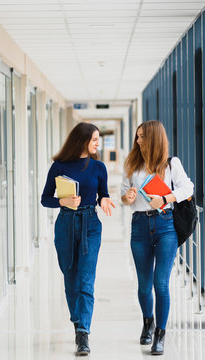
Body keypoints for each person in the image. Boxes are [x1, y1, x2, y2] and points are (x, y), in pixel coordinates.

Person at [41, 122, 115, 356]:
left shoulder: (98, 167)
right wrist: (62, 201)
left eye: (97, 139)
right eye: (94, 139)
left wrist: (104, 200)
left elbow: (103, 193)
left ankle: (83, 333)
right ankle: (77, 321)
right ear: (82, 140)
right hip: (65, 224)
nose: (97, 143)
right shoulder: (59, 166)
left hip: (90, 224)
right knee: (70, 274)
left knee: (85, 278)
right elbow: (45, 198)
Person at [120, 120, 193, 355]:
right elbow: (123, 194)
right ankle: (148, 321)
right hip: (140, 226)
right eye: (137, 136)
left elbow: (188, 189)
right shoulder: (132, 164)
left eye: (142, 137)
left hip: (165, 226)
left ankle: (160, 335)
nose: (138, 141)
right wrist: (128, 197)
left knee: (160, 283)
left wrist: (166, 199)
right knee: (143, 286)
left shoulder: (172, 164)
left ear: (153, 139)